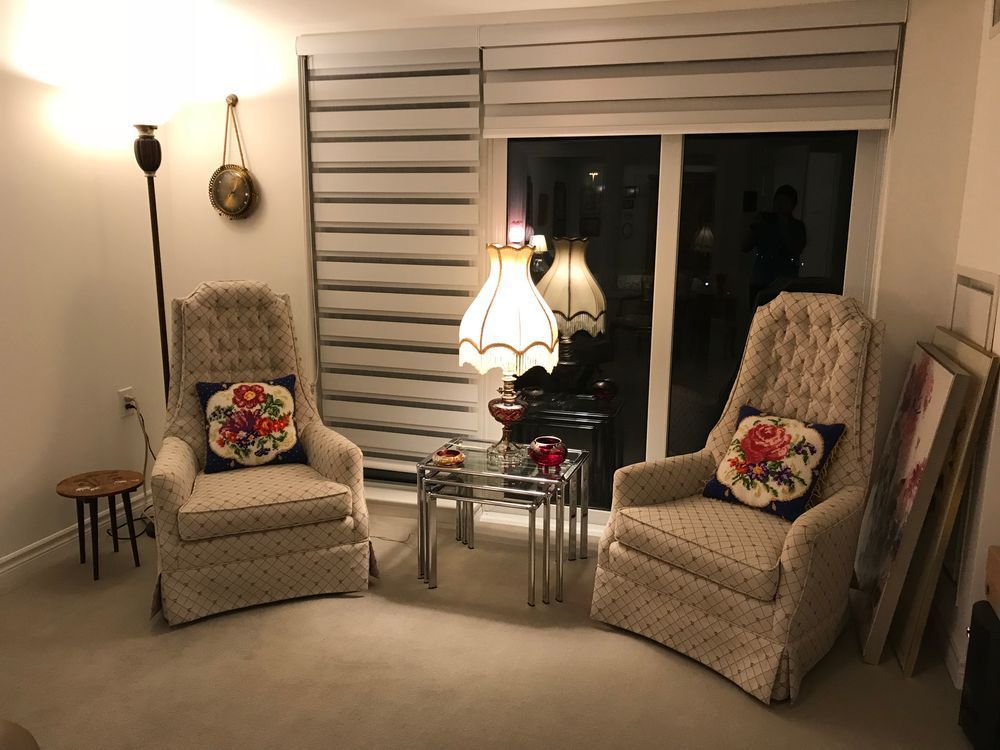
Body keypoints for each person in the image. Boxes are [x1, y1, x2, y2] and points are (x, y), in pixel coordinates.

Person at [742, 184, 807, 306]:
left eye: (785, 202)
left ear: (792, 205)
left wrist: (783, 225)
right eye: (778, 201)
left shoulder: (796, 226)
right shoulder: (764, 222)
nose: (780, 205)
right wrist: (754, 226)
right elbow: (745, 246)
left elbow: (796, 249)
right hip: (761, 279)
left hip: (784, 283)